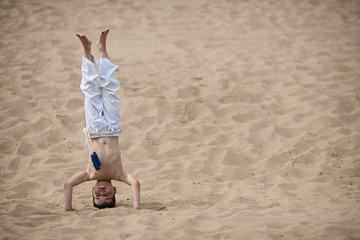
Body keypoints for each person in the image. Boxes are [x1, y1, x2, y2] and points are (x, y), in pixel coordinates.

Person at [64, 28, 140, 211]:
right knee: (110, 87)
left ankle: (86, 50)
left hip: (95, 129)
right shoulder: (119, 174)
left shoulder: (89, 174)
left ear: (92, 190)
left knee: (90, 90)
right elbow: (135, 184)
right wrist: (136, 208)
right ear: (115, 190)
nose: (102, 192)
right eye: (107, 195)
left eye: (98, 196)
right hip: (113, 128)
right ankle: (102, 48)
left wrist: (68, 208)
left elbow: (68, 185)